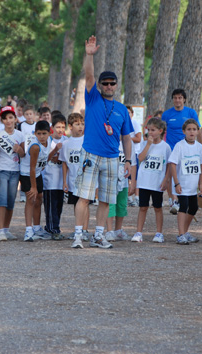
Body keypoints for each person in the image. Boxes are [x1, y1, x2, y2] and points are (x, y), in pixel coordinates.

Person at [70, 35, 133, 249]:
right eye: (104, 83)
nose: (108, 85)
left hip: (112, 158)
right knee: (84, 197)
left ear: (116, 85)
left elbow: (126, 137)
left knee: (106, 199)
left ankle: (99, 235)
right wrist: (89, 56)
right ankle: (78, 235)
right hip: (91, 154)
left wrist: (128, 160)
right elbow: (88, 76)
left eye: (111, 83)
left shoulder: (122, 109)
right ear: (100, 85)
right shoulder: (93, 97)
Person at [161, 89, 201, 214]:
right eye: (175, 98)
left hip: (187, 149)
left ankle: (183, 197)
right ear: (172, 99)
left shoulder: (190, 112)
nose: (177, 100)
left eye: (180, 98)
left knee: (183, 174)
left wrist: (201, 146)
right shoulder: (167, 114)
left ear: (184, 99)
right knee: (169, 175)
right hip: (171, 148)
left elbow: (197, 130)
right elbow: (162, 131)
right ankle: (173, 200)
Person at [131, 118, 170, 243]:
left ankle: (159, 233)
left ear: (160, 131)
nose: (150, 133)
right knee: (143, 207)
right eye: (148, 130)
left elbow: (169, 165)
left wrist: (166, 180)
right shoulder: (144, 144)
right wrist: (148, 144)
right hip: (144, 181)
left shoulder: (165, 147)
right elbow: (141, 158)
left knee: (158, 207)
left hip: (157, 182)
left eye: (153, 130)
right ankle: (138, 232)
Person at [169, 119, 202, 245]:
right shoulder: (179, 146)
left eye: (194, 129)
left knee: (194, 207)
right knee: (183, 206)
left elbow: (201, 165)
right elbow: (173, 164)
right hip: (182, 184)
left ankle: (185, 232)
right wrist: (176, 183)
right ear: (184, 131)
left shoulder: (199, 147)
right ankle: (180, 235)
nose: (192, 132)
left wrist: (201, 183)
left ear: (197, 132)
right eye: (189, 129)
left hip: (193, 185)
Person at [0, 106, 25, 241]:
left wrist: (19, 150)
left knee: (11, 202)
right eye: (5, 118)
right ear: (2, 120)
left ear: (15, 119)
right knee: (1, 201)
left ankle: (6, 229)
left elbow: (24, 154)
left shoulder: (20, 134)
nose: (8, 121)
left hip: (15, 172)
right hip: (2, 170)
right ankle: (0, 231)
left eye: (11, 117)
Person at [19, 120, 52, 242]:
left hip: (37, 173)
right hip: (27, 174)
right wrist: (33, 187)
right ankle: (28, 230)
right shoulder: (35, 147)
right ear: (35, 133)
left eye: (44, 133)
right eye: (39, 133)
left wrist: (54, 151)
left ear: (49, 133)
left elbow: (44, 160)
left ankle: (37, 228)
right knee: (31, 199)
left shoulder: (49, 142)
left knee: (39, 199)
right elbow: (31, 168)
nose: (42, 136)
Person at [60, 113, 89, 238]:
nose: (80, 127)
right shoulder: (66, 143)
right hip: (73, 179)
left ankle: (85, 230)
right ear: (70, 126)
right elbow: (65, 163)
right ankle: (78, 228)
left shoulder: (87, 140)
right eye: (77, 124)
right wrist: (64, 181)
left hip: (86, 178)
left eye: (82, 124)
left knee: (85, 203)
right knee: (76, 203)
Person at [42, 114, 68, 240]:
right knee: (51, 206)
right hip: (50, 179)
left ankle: (54, 227)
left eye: (63, 127)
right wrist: (55, 151)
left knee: (58, 206)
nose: (60, 130)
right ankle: (52, 228)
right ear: (52, 127)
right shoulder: (48, 141)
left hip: (61, 180)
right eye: (58, 127)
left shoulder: (66, 140)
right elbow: (45, 158)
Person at [126, 105, 143, 207]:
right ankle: (128, 196)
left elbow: (138, 139)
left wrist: (126, 138)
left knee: (135, 176)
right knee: (126, 176)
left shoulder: (134, 123)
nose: (127, 115)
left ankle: (136, 196)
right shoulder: (122, 124)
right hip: (125, 152)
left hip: (135, 152)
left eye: (129, 113)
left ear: (132, 114)